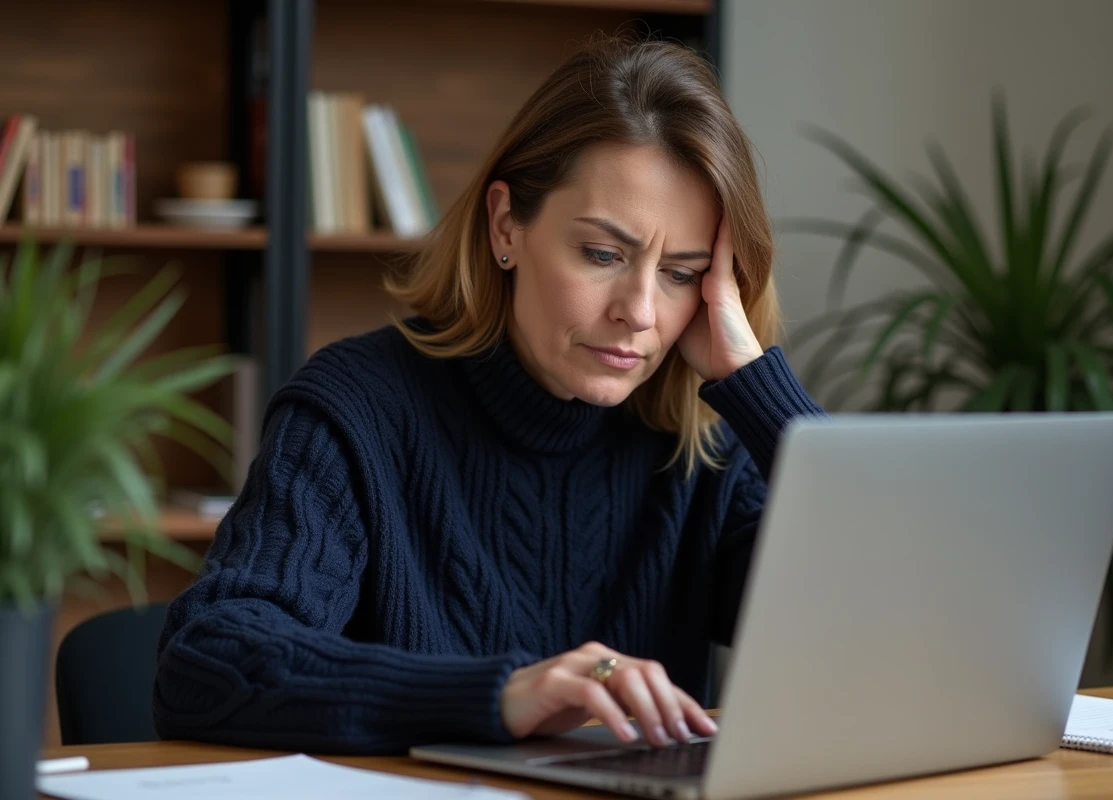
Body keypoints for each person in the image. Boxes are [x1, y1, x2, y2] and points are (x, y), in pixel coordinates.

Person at [152, 34, 826, 755]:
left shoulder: (702, 437)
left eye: (683, 273)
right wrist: (498, 695)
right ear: (507, 226)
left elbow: (907, 623)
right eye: (603, 254)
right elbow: (206, 664)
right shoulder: (357, 409)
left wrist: (755, 388)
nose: (641, 311)